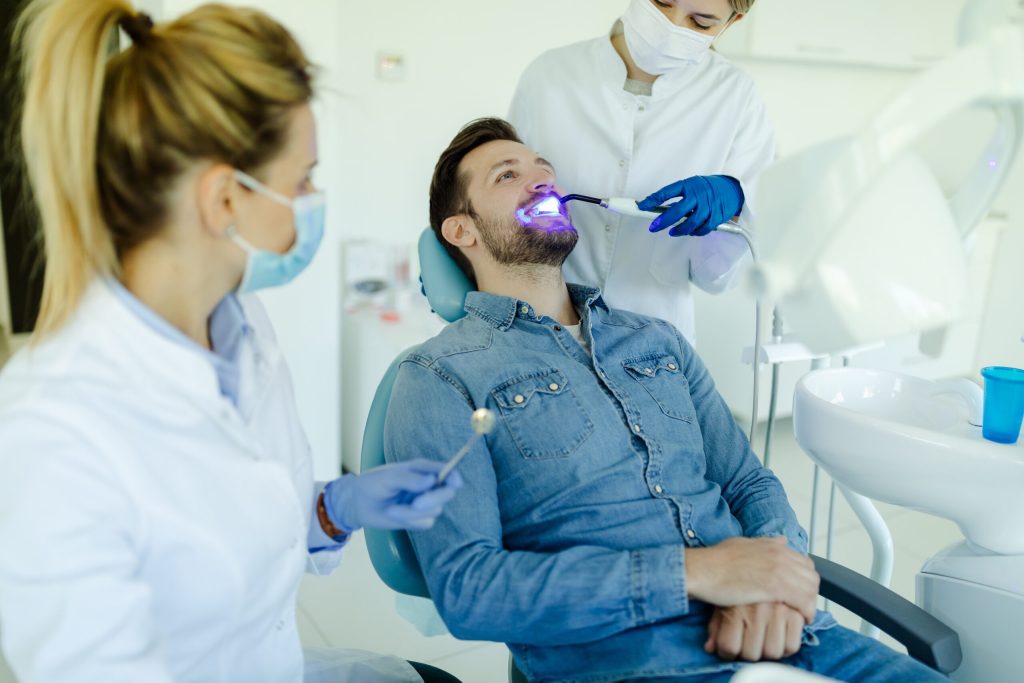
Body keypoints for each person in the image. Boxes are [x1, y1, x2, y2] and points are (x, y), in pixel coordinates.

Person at [383, 117, 949, 683]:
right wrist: (699, 574)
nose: (542, 184)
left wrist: (773, 587)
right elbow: (471, 592)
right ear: (461, 231)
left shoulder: (656, 340)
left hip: (788, 632)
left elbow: (748, 483)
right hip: (633, 662)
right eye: (509, 175)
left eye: (546, 172)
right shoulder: (437, 376)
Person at [0, 2, 461, 682]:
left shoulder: (239, 326)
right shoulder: (52, 431)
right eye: (302, 180)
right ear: (224, 200)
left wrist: (333, 506)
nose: (315, 199)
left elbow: (228, 514)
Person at [508, 0, 773, 345]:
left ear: (733, 21)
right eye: (662, 2)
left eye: (701, 22)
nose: (670, 25)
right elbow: (501, 200)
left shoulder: (736, 97)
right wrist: (461, 261)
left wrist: (734, 206)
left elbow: (715, 278)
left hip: (655, 339)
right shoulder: (550, 75)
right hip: (540, 326)